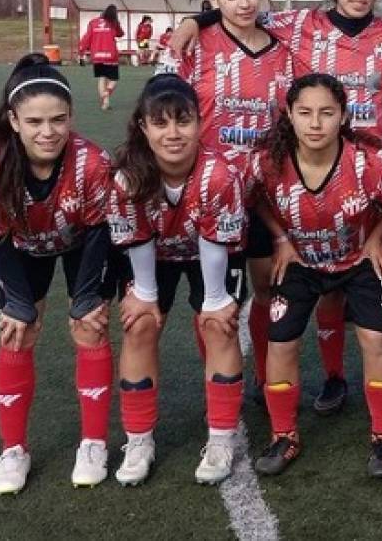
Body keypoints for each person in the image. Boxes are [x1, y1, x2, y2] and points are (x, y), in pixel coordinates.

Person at [173, 0, 382, 417]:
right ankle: (324, 378)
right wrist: (194, 19)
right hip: (281, 182)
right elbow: (239, 14)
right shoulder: (299, 28)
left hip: (371, 183)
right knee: (301, 280)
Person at [0, 54, 114, 494]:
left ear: (71, 115)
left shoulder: (92, 162)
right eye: (34, 121)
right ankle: (14, 449)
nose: (47, 132)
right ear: (14, 121)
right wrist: (16, 304)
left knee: (89, 328)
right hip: (21, 248)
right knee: (17, 331)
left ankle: (94, 443)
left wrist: (86, 299)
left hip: (82, 243)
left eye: (57, 119)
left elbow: (99, 231)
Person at [248, 73, 382, 478]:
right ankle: (284, 434)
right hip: (301, 261)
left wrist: (376, 240)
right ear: (289, 115)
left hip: (356, 259)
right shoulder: (267, 161)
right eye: (305, 113)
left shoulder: (369, 162)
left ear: (344, 116)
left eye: (326, 113)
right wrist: (281, 236)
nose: (315, 123)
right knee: (280, 345)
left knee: (375, 338)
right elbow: (258, 198)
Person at [108, 75, 245, 487]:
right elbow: (136, 238)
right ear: (143, 127)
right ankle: (138, 439)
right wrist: (145, 296)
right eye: (161, 123)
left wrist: (216, 301)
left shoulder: (219, 175)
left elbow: (214, 243)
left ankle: (221, 437)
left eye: (183, 121)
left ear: (200, 123)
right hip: (153, 252)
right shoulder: (128, 177)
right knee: (140, 326)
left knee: (219, 326)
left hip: (213, 249)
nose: (172, 133)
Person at [180, 0, 292, 398]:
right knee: (216, 302)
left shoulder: (287, 44)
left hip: (267, 195)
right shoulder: (196, 45)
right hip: (210, 197)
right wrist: (192, 20)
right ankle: (220, 389)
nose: (243, 2)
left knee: (268, 293)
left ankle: (268, 383)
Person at [79, 4, 124, 111]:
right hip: (110, 56)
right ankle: (106, 94)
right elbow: (120, 34)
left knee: (102, 78)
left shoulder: (93, 22)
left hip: (97, 56)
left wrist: (81, 52)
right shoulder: (113, 23)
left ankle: (105, 103)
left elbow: (87, 38)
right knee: (114, 79)